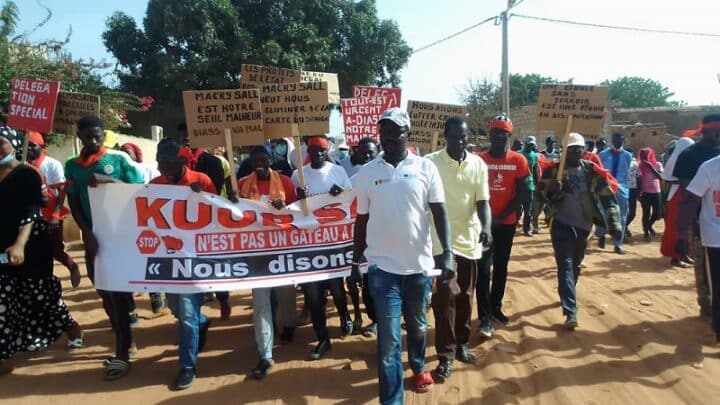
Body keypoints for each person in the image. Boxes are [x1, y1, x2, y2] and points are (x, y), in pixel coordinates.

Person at [351, 107, 454, 403]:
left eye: (396, 131)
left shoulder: (425, 168)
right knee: (389, 341)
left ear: (407, 134)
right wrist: (356, 261)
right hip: (383, 270)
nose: (390, 136)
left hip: (418, 268)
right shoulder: (367, 174)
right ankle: (392, 400)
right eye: (385, 131)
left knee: (419, 325)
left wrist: (447, 252)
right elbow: (361, 220)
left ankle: (419, 364)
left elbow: (439, 212)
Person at [65, 115, 144, 380]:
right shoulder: (72, 166)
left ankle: (124, 349)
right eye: (88, 136)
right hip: (93, 238)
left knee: (118, 292)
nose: (93, 140)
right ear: (80, 137)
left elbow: (139, 192)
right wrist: (86, 232)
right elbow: (74, 202)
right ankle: (121, 332)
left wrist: (111, 184)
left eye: (97, 135)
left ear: (103, 134)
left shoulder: (118, 160)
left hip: (120, 236)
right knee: (102, 289)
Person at [0, 130, 83, 375]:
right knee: (3, 297)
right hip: (3, 249)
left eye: (1, 143)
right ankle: (4, 355)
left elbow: (32, 211)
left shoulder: (27, 174)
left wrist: (20, 244)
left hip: (31, 246)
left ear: (14, 144)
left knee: (41, 295)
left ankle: (72, 327)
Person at [426, 116, 491, 382]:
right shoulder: (430, 162)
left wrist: (487, 226)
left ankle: (462, 342)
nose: (460, 141)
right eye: (455, 137)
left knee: (465, 295)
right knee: (444, 298)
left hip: (469, 239)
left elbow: (482, 201)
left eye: (464, 137)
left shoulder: (478, 164)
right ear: (445, 137)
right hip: (439, 241)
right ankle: (446, 355)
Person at [148, 138, 214, 390]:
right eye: (159, 162)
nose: (160, 166)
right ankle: (203, 321)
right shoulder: (154, 185)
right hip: (169, 258)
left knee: (185, 314)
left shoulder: (202, 181)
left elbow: (220, 215)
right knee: (177, 309)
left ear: (180, 162)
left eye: (165, 162)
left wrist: (204, 198)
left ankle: (187, 365)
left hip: (195, 259)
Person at [541, 132, 621, 329]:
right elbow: (540, 195)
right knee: (565, 266)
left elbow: (607, 198)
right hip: (560, 224)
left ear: (583, 151)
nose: (576, 152)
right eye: (571, 149)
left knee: (575, 266)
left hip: (584, 226)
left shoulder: (592, 172)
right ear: (564, 151)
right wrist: (553, 189)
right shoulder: (553, 172)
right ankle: (570, 311)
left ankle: (568, 292)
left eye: (579, 149)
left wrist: (615, 223)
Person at [238, 145, 298, 379]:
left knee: (285, 294)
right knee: (261, 303)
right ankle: (265, 354)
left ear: (271, 160)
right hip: (257, 252)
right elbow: (233, 215)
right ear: (251, 163)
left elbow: (298, 214)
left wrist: (286, 208)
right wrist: (234, 201)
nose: (260, 165)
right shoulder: (242, 184)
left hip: (283, 249)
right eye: (256, 161)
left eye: (264, 160)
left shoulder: (286, 182)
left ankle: (289, 324)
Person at [292, 135, 353, 360]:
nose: (317, 153)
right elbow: (291, 208)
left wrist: (341, 193)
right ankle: (322, 339)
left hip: (333, 242)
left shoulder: (338, 172)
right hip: (309, 245)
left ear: (326, 151)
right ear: (307, 151)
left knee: (337, 289)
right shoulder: (298, 174)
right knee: (314, 295)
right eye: (313, 150)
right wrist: (297, 197)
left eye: (321, 150)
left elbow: (351, 202)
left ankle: (344, 314)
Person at [476, 114, 530, 328]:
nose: (500, 136)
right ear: (490, 134)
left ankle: (495, 306)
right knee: (482, 269)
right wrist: (488, 219)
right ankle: (484, 315)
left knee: (501, 267)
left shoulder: (519, 160)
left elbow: (523, 194)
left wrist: (500, 217)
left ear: (509, 135)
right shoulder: (479, 160)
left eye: (504, 133)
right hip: (482, 225)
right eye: (496, 132)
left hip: (506, 224)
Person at [177, 123, 234, 319]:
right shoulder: (175, 162)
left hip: (210, 220)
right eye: (184, 135)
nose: (187, 138)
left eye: (191, 134)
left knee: (213, 261)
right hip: (182, 222)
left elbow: (216, 193)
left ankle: (223, 296)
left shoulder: (212, 162)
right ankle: (195, 313)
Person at [673, 114, 720, 322]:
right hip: (700, 220)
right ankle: (707, 305)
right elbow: (687, 192)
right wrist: (687, 226)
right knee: (703, 265)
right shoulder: (690, 155)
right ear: (706, 131)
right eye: (716, 131)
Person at [25, 131, 81, 288]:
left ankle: (72, 266)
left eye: (32, 146)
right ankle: (42, 282)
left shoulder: (52, 164)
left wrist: (56, 215)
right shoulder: (22, 164)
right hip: (31, 214)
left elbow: (62, 191)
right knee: (35, 249)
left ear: (42, 147)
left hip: (50, 213)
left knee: (55, 249)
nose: (29, 149)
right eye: (26, 146)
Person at [676, 153, 720, 345]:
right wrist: (681, 234)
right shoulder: (710, 168)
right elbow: (689, 199)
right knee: (718, 288)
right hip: (715, 239)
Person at [341, 137, 379, 336]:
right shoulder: (353, 180)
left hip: (382, 239)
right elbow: (343, 200)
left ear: (377, 152)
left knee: (375, 283)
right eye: (362, 152)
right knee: (360, 281)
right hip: (358, 237)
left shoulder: (389, 176)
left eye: (370, 152)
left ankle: (378, 321)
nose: (366, 156)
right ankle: (364, 316)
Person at [660, 137, 695, 267]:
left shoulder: (690, 159)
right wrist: (683, 182)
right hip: (677, 195)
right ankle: (676, 257)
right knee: (676, 227)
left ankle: (685, 254)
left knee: (689, 227)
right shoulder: (675, 160)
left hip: (690, 194)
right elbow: (666, 178)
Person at [597, 133, 632, 254]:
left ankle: (618, 244)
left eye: (620, 141)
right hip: (606, 189)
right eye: (615, 140)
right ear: (612, 141)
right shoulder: (603, 155)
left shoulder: (628, 156)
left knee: (622, 217)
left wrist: (626, 188)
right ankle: (601, 235)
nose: (617, 143)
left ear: (623, 141)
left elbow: (627, 174)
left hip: (622, 189)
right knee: (602, 213)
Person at [637, 148, 663, 241]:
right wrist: (638, 194)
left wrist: (650, 166)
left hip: (656, 192)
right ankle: (646, 232)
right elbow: (638, 181)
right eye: (642, 156)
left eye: (645, 155)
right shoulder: (639, 166)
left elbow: (660, 177)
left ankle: (649, 225)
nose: (644, 158)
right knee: (646, 213)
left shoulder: (657, 164)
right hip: (645, 193)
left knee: (657, 213)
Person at [520, 136, 540, 236]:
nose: (531, 146)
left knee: (528, 210)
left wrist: (538, 184)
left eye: (532, 145)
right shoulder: (518, 154)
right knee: (516, 209)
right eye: (529, 144)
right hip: (518, 186)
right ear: (525, 144)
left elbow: (535, 171)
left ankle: (526, 229)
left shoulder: (535, 156)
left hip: (529, 186)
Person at [626, 152, 640, 240]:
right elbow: (639, 177)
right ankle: (623, 230)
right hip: (627, 189)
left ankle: (623, 227)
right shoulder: (634, 164)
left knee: (631, 213)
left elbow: (638, 177)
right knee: (629, 212)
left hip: (631, 189)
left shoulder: (634, 164)